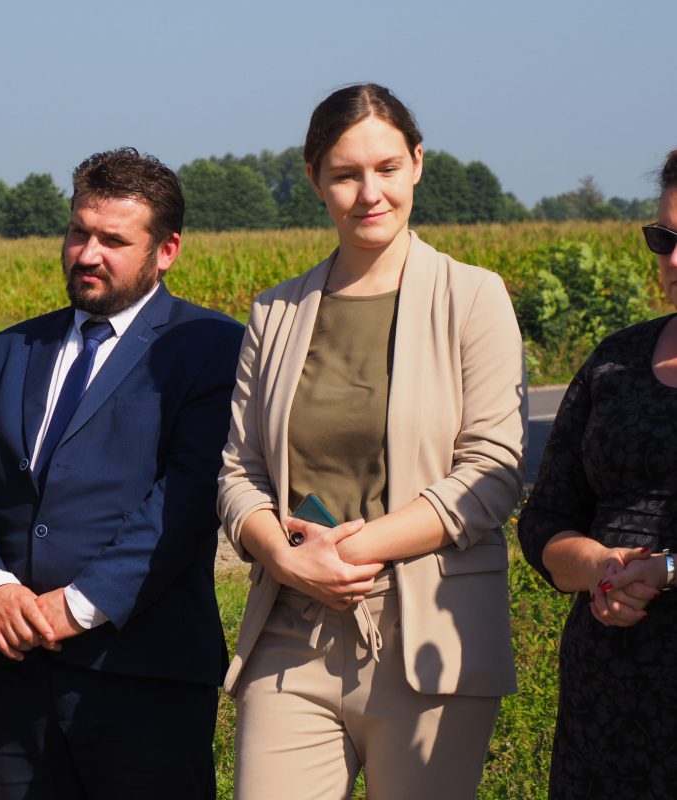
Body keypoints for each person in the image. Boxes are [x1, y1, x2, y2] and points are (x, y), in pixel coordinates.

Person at [216, 83, 526, 800]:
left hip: (429, 635)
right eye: (345, 175)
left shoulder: (473, 297)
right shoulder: (274, 312)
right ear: (314, 180)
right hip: (291, 633)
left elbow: (492, 470)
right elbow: (239, 471)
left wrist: (347, 553)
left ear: (417, 162)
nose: (369, 193)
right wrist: (285, 559)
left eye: (386, 168)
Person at [0, 147, 243, 800]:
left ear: (166, 250)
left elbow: (188, 497)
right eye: (79, 232)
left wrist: (79, 605)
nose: (87, 254)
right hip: (20, 672)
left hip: (144, 673)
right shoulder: (14, 346)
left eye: (113, 240)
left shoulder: (209, 347)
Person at [517, 149, 677, 798]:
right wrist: (595, 566)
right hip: (608, 687)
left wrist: (667, 569)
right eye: (664, 239)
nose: (673, 261)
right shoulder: (615, 361)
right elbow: (546, 515)